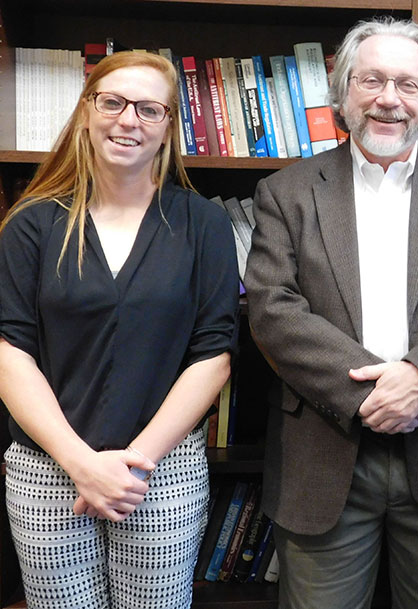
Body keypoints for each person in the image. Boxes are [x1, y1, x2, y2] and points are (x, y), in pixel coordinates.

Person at [244, 17, 418, 609]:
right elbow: (273, 307)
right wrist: (368, 394)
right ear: (343, 93)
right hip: (325, 448)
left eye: (408, 85)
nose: (389, 100)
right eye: (371, 81)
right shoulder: (286, 191)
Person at [0, 51, 239, 609]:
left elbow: (214, 355)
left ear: (169, 127)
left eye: (149, 109)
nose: (128, 120)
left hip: (162, 470)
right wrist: (82, 464)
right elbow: (10, 352)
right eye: (113, 102)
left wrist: (133, 465)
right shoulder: (31, 223)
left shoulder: (202, 223)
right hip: (47, 469)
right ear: (87, 112)